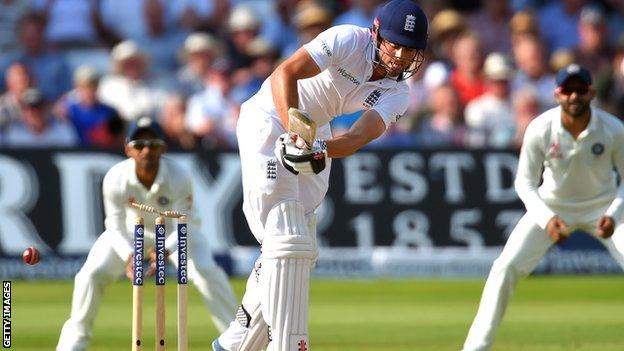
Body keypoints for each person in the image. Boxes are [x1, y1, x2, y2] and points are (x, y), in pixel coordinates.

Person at [212, 1, 428, 350]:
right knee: (282, 237)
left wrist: (320, 149)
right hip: (270, 115)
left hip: (316, 132)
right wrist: (294, 128)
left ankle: (234, 342)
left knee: (301, 244)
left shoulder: (399, 92)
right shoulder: (348, 39)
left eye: (410, 49)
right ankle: (283, 342)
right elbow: (286, 73)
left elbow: (358, 137)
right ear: (376, 33)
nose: (401, 55)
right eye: (394, 44)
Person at [462, 64, 624, 351]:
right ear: (557, 94)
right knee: (505, 268)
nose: (574, 96)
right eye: (568, 90)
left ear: (592, 92)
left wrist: (613, 215)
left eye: (580, 89)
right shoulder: (540, 128)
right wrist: (548, 218)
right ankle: (475, 348)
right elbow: (524, 183)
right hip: (552, 206)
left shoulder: (613, 129)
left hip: (603, 205)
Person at [56, 117, 238, 351]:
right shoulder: (116, 178)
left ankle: (239, 339)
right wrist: (130, 255)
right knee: (90, 275)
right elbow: (114, 226)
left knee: (206, 272)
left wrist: (165, 250)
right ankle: (73, 344)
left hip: (177, 232)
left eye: (153, 144)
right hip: (132, 233)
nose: (146, 150)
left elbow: (187, 223)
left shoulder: (178, 175)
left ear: (163, 148)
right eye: (139, 144)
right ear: (128, 148)